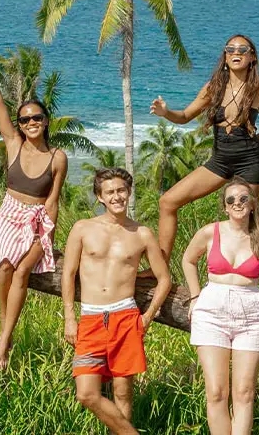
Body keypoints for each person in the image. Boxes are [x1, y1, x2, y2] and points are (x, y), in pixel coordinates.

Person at [0, 43, 70, 370]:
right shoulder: (13, 144)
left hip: (37, 221)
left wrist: (45, 239)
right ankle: (4, 320)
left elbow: (52, 202)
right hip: (7, 217)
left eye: (37, 117)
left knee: (23, 269)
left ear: (46, 121)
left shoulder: (57, 158)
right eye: (25, 119)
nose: (31, 122)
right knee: (6, 267)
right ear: (20, 125)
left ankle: (4, 340)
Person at [151, 34, 259, 260]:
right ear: (225, 55)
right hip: (219, 161)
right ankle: (159, 270)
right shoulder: (214, 88)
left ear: (252, 57)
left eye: (243, 50)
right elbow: (184, 116)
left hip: (248, 162)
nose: (236, 53)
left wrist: (253, 141)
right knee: (168, 201)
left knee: (247, 220)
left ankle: (256, 278)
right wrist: (166, 112)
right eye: (230, 49)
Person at [62, 168, 171, 435]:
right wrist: (69, 317)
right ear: (100, 197)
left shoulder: (142, 233)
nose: (117, 196)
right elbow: (68, 273)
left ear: (129, 192)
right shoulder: (83, 228)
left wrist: (147, 316)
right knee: (86, 394)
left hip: (125, 318)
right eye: (110, 192)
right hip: (90, 319)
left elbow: (164, 279)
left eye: (121, 190)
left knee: (123, 394)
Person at [181, 177, 259, 435]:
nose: (237, 203)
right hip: (212, 310)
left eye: (243, 198)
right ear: (225, 207)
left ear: (252, 204)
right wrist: (194, 296)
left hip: (252, 313)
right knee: (216, 391)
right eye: (231, 200)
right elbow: (188, 260)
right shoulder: (210, 231)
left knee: (244, 392)